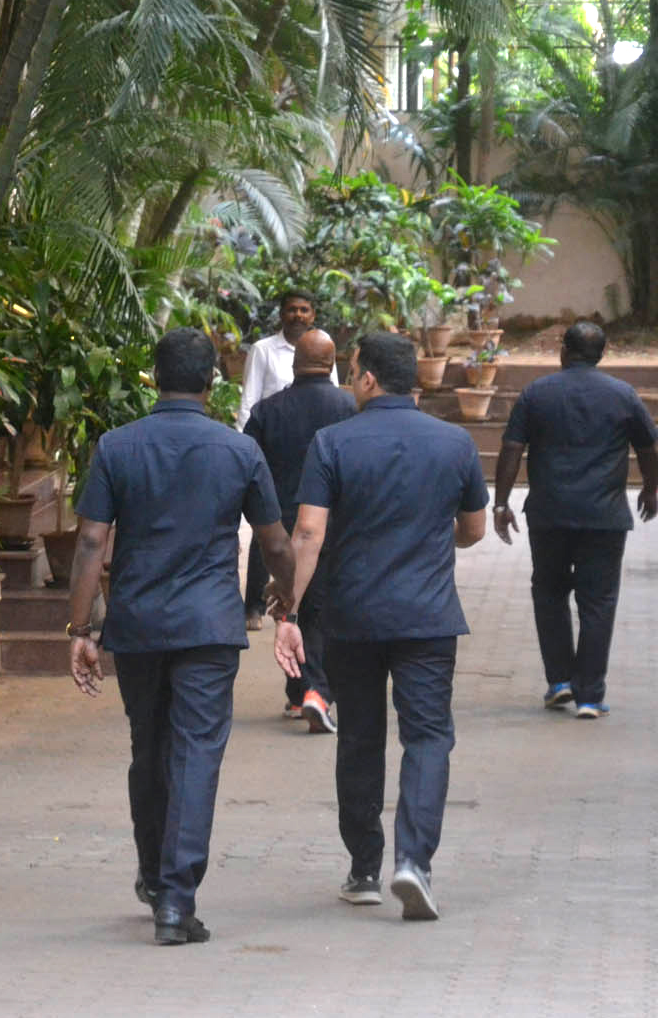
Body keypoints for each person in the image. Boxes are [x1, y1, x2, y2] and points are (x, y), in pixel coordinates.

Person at [67, 326, 296, 947]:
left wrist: (81, 628)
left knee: (149, 749)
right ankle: (175, 899)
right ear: (211, 382)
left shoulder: (117, 446)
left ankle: (152, 876)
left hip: (138, 624)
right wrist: (288, 602)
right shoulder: (239, 451)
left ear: (155, 376)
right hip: (209, 628)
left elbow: (90, 542)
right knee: (195, 753)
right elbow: (276, 543)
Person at [272, 332, 488, 922]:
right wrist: (433, 537)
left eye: (352, 373)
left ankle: (364, 869)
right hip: (428, 619)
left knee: (361, 739)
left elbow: (308, 532)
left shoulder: (333, 442)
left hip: (353, 618)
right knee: (428, 737)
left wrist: (288, 611)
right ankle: (413, 861)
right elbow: (473, 529)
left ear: (367, 378)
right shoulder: (454, 442)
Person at [490, 320, 658, 719]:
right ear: (602, 354)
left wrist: (500, 504)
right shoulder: (622, 394)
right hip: (605, 518)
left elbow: (512, 448)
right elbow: (648, 447)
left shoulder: (537, 393)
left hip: (549, 515)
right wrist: (651, 489)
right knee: (598, 602)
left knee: (549, 594)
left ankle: (560, 681)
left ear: (563, 351)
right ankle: (590, 696)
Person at [243, 329, 356, 733]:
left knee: (290, 604)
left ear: (294, 364)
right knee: (320, 608)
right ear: (332, 363)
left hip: (281, 524)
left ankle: (299, 692)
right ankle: (316, 692)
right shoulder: (352, 408)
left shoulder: (266, 412)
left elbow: (248, 468)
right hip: (336, 525)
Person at [237, 289, 337, 634]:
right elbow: (249, 402)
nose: (298, 315)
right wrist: (250, 457)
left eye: (304, 310)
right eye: (292, 309)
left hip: (318, 449)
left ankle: (306, 601)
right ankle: (253, 604)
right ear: (282, 314)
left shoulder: (323, 345)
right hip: (275, 447)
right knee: (268, 532)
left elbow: (330, 391)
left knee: (315, 530)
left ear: (313, 314)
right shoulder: (264, 350)